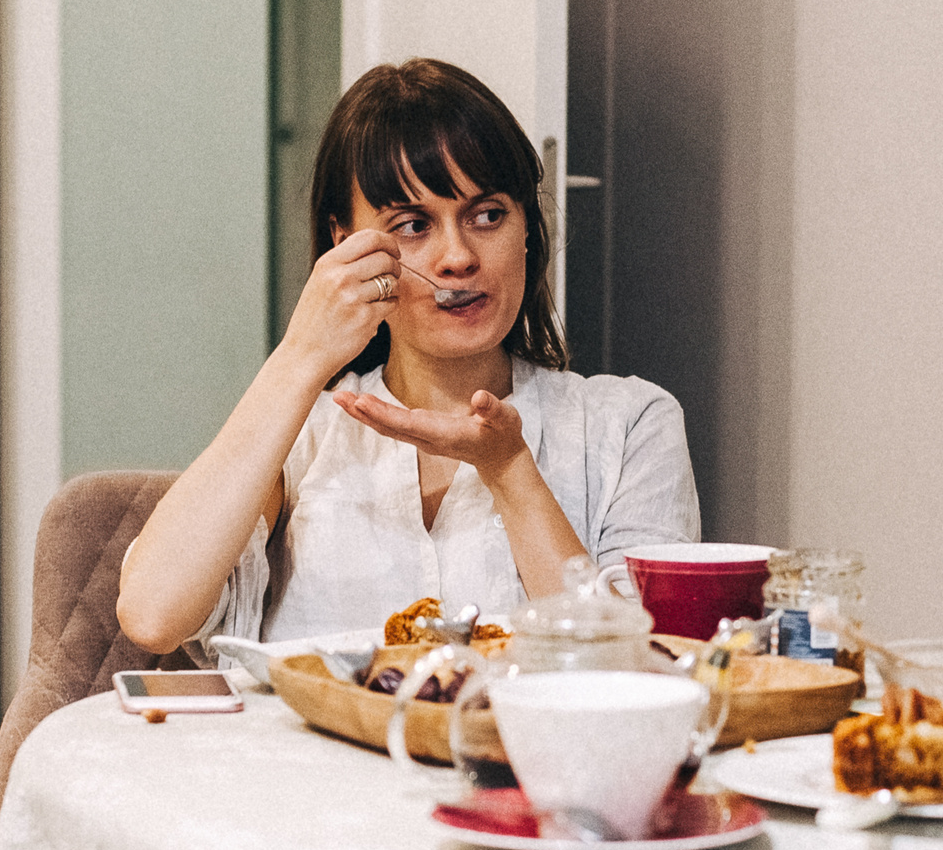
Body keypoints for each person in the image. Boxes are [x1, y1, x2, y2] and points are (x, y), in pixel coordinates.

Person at [117, 58, 699, 655]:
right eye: (414, 224)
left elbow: (650, 671)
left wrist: (510, 471)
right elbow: (153, 614)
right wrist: (300, 355)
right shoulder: (304, 436)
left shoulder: (629, 424)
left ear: (527, 226)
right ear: (348, 247)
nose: (457, 257)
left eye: (488, 215)